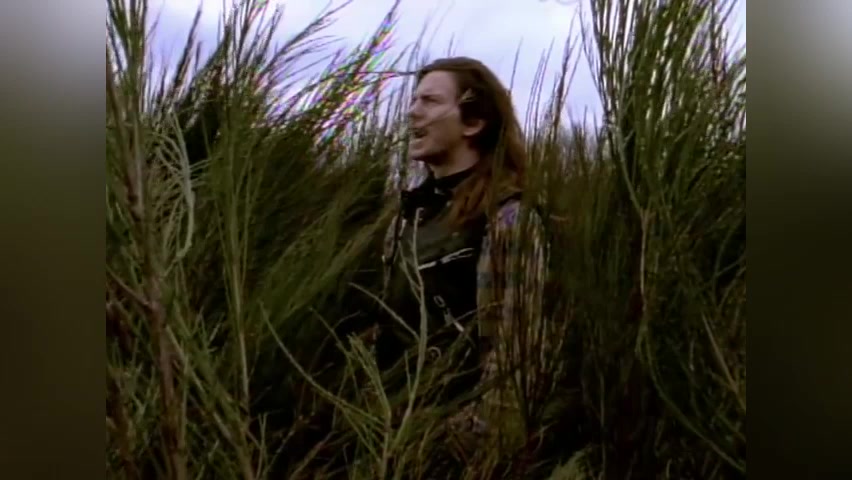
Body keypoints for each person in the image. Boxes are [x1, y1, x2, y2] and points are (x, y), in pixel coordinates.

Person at [372, 56, 549, 462]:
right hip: (392, 429)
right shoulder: (407, 218)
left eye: (430, 101)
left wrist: (467, 441)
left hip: (453, 445)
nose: (413, 111)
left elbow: (519, 350)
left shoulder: (508, 218)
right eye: (414, 99)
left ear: (473, 122)